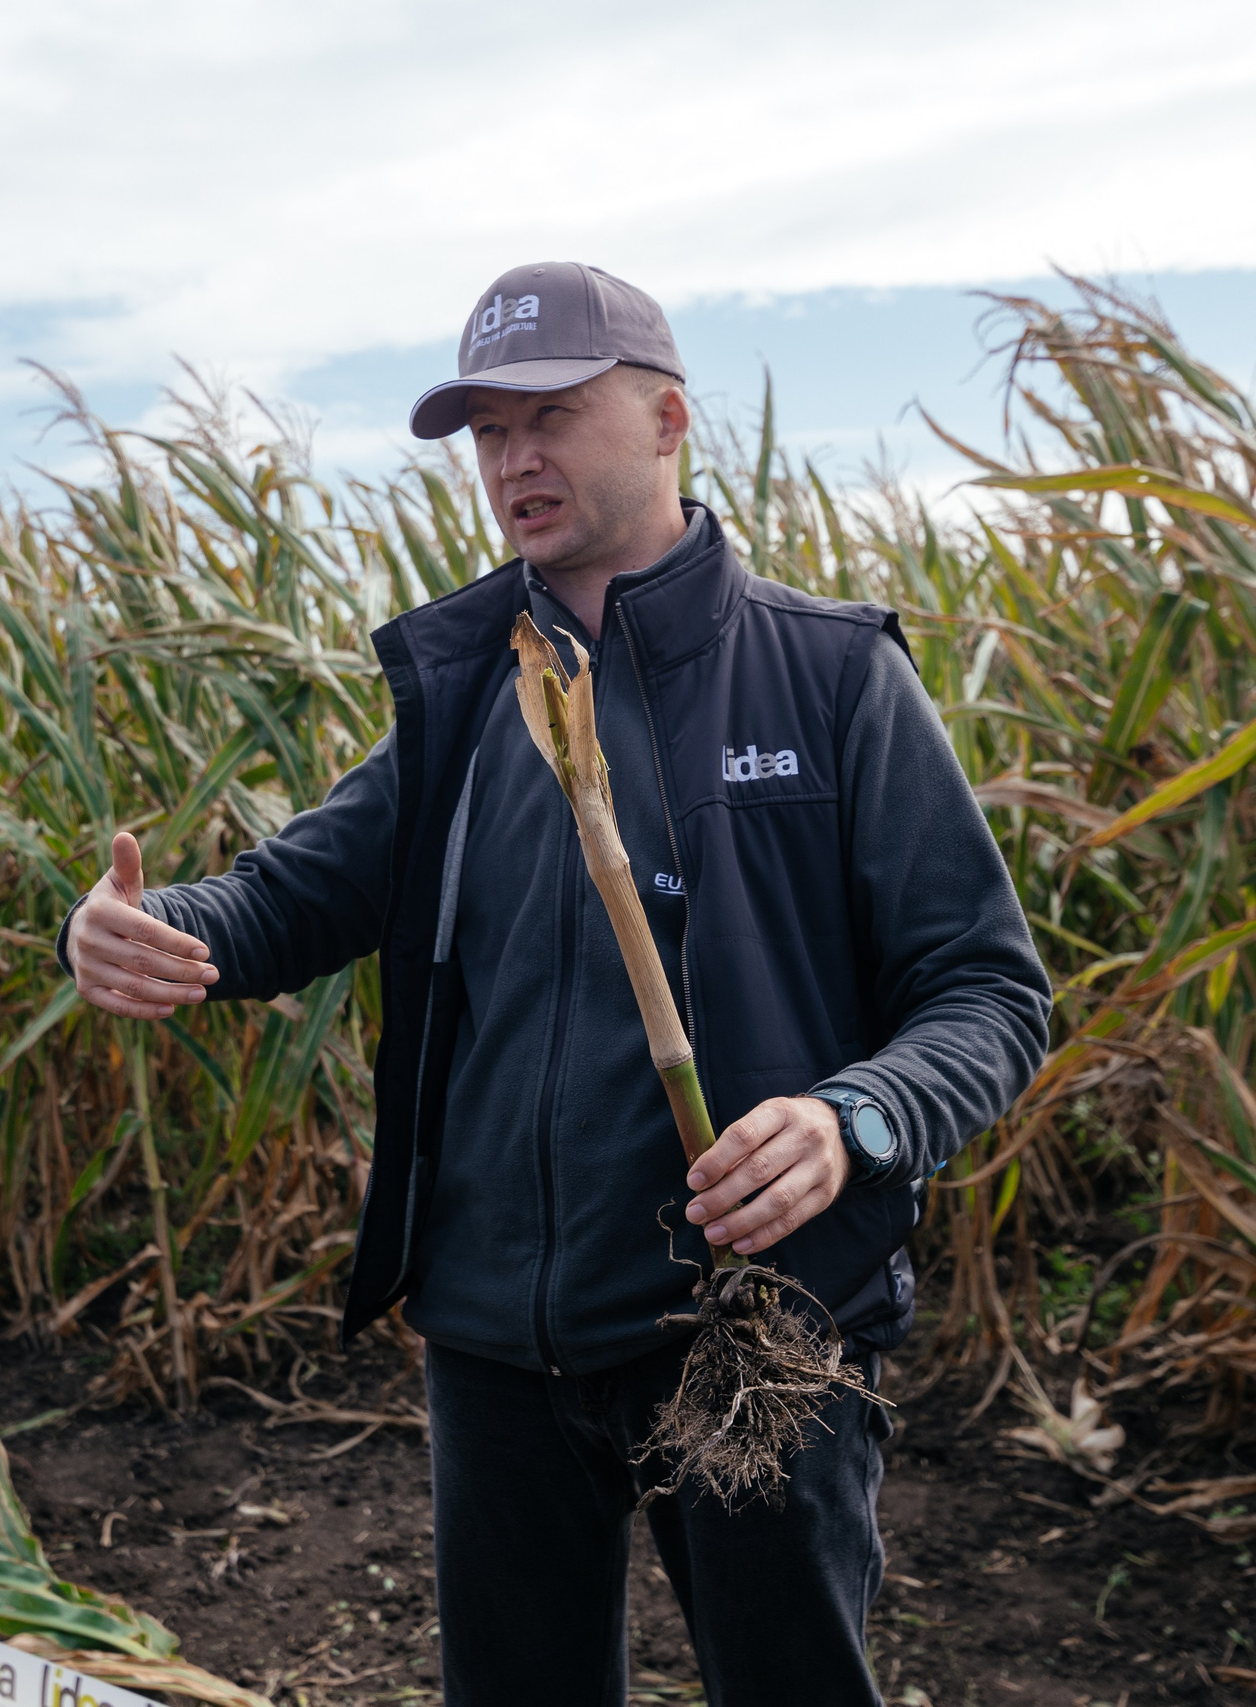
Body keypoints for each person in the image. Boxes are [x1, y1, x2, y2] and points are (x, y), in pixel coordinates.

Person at [60, 262, 1051, 1706]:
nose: (513, 458)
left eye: (551, 417)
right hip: (499, 1342)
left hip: (754, 1329)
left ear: (665, 420)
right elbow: (288, 895)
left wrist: (856, 1119)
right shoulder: (468, 691)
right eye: (486, 431)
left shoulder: (830, 681)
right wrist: (147, 928)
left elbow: (989, 993)